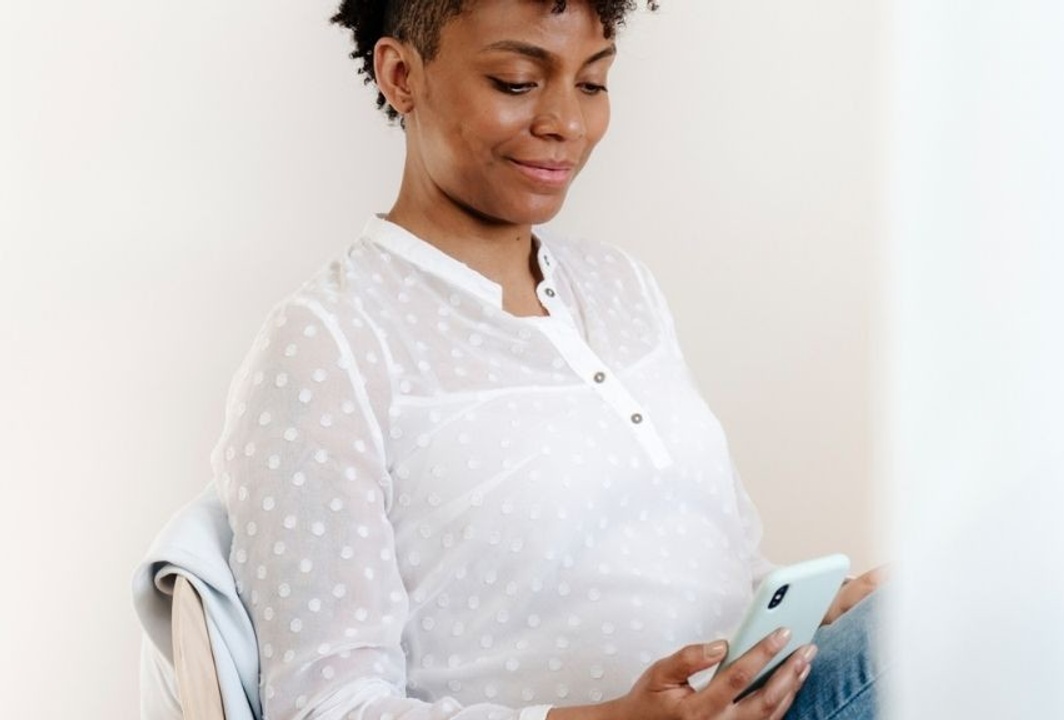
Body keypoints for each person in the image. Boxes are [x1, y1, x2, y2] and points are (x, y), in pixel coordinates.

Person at [212, 1, 882, 719]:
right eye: (516, 81)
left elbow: (723, 571)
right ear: (401, 74)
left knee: (961, 592)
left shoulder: (624, 289)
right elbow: (324, 706)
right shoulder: (329, 343)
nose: (566, 122)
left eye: (591, 84)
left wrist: (816, 609)